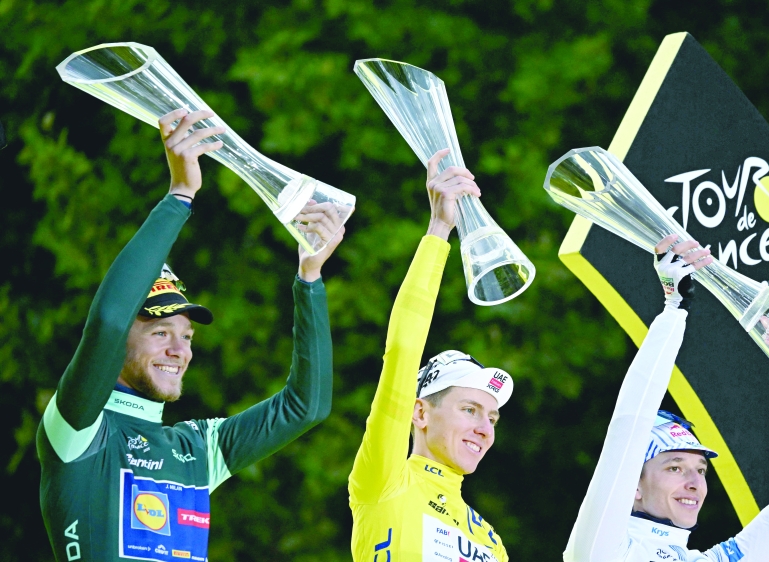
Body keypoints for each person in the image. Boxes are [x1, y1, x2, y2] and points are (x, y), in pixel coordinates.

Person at [37, 109, 345, 562]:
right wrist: (180, 195)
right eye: (161, 332)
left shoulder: (199, 448)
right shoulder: (79, 429)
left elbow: (306, 407)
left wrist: (310, 278)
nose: (179, 351)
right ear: (124, 339)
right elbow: (107, 321)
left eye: (187, 337)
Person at [564, 235, 769, 562]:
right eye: (675, 467)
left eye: (701, 469)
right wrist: (675, 309)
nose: (695, 483)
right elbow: (630, 425)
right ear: (633, 484)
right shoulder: (602, 553)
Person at [349, 148, 510, 562]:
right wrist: (440, 229)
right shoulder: (386, 479)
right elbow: (403, 352)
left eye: (490, 417)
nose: (484, 429)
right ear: (419, 413)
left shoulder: (491, 542)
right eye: (471, 409)